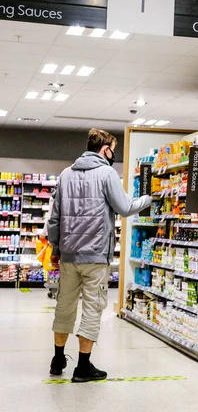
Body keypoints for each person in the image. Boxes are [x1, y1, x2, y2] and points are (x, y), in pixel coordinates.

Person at [47, 128, 152, 382]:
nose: (113, 154)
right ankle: (83, 367)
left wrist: (56, 249)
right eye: (113, 149)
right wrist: (147, 199)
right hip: (95, 257)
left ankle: (58, 359)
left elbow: (54, 218)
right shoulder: (107, 173)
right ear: (105, 148)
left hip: (70, 256)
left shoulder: (65, 174)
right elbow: (125, 207)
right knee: (93, 308)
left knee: (64, 306)